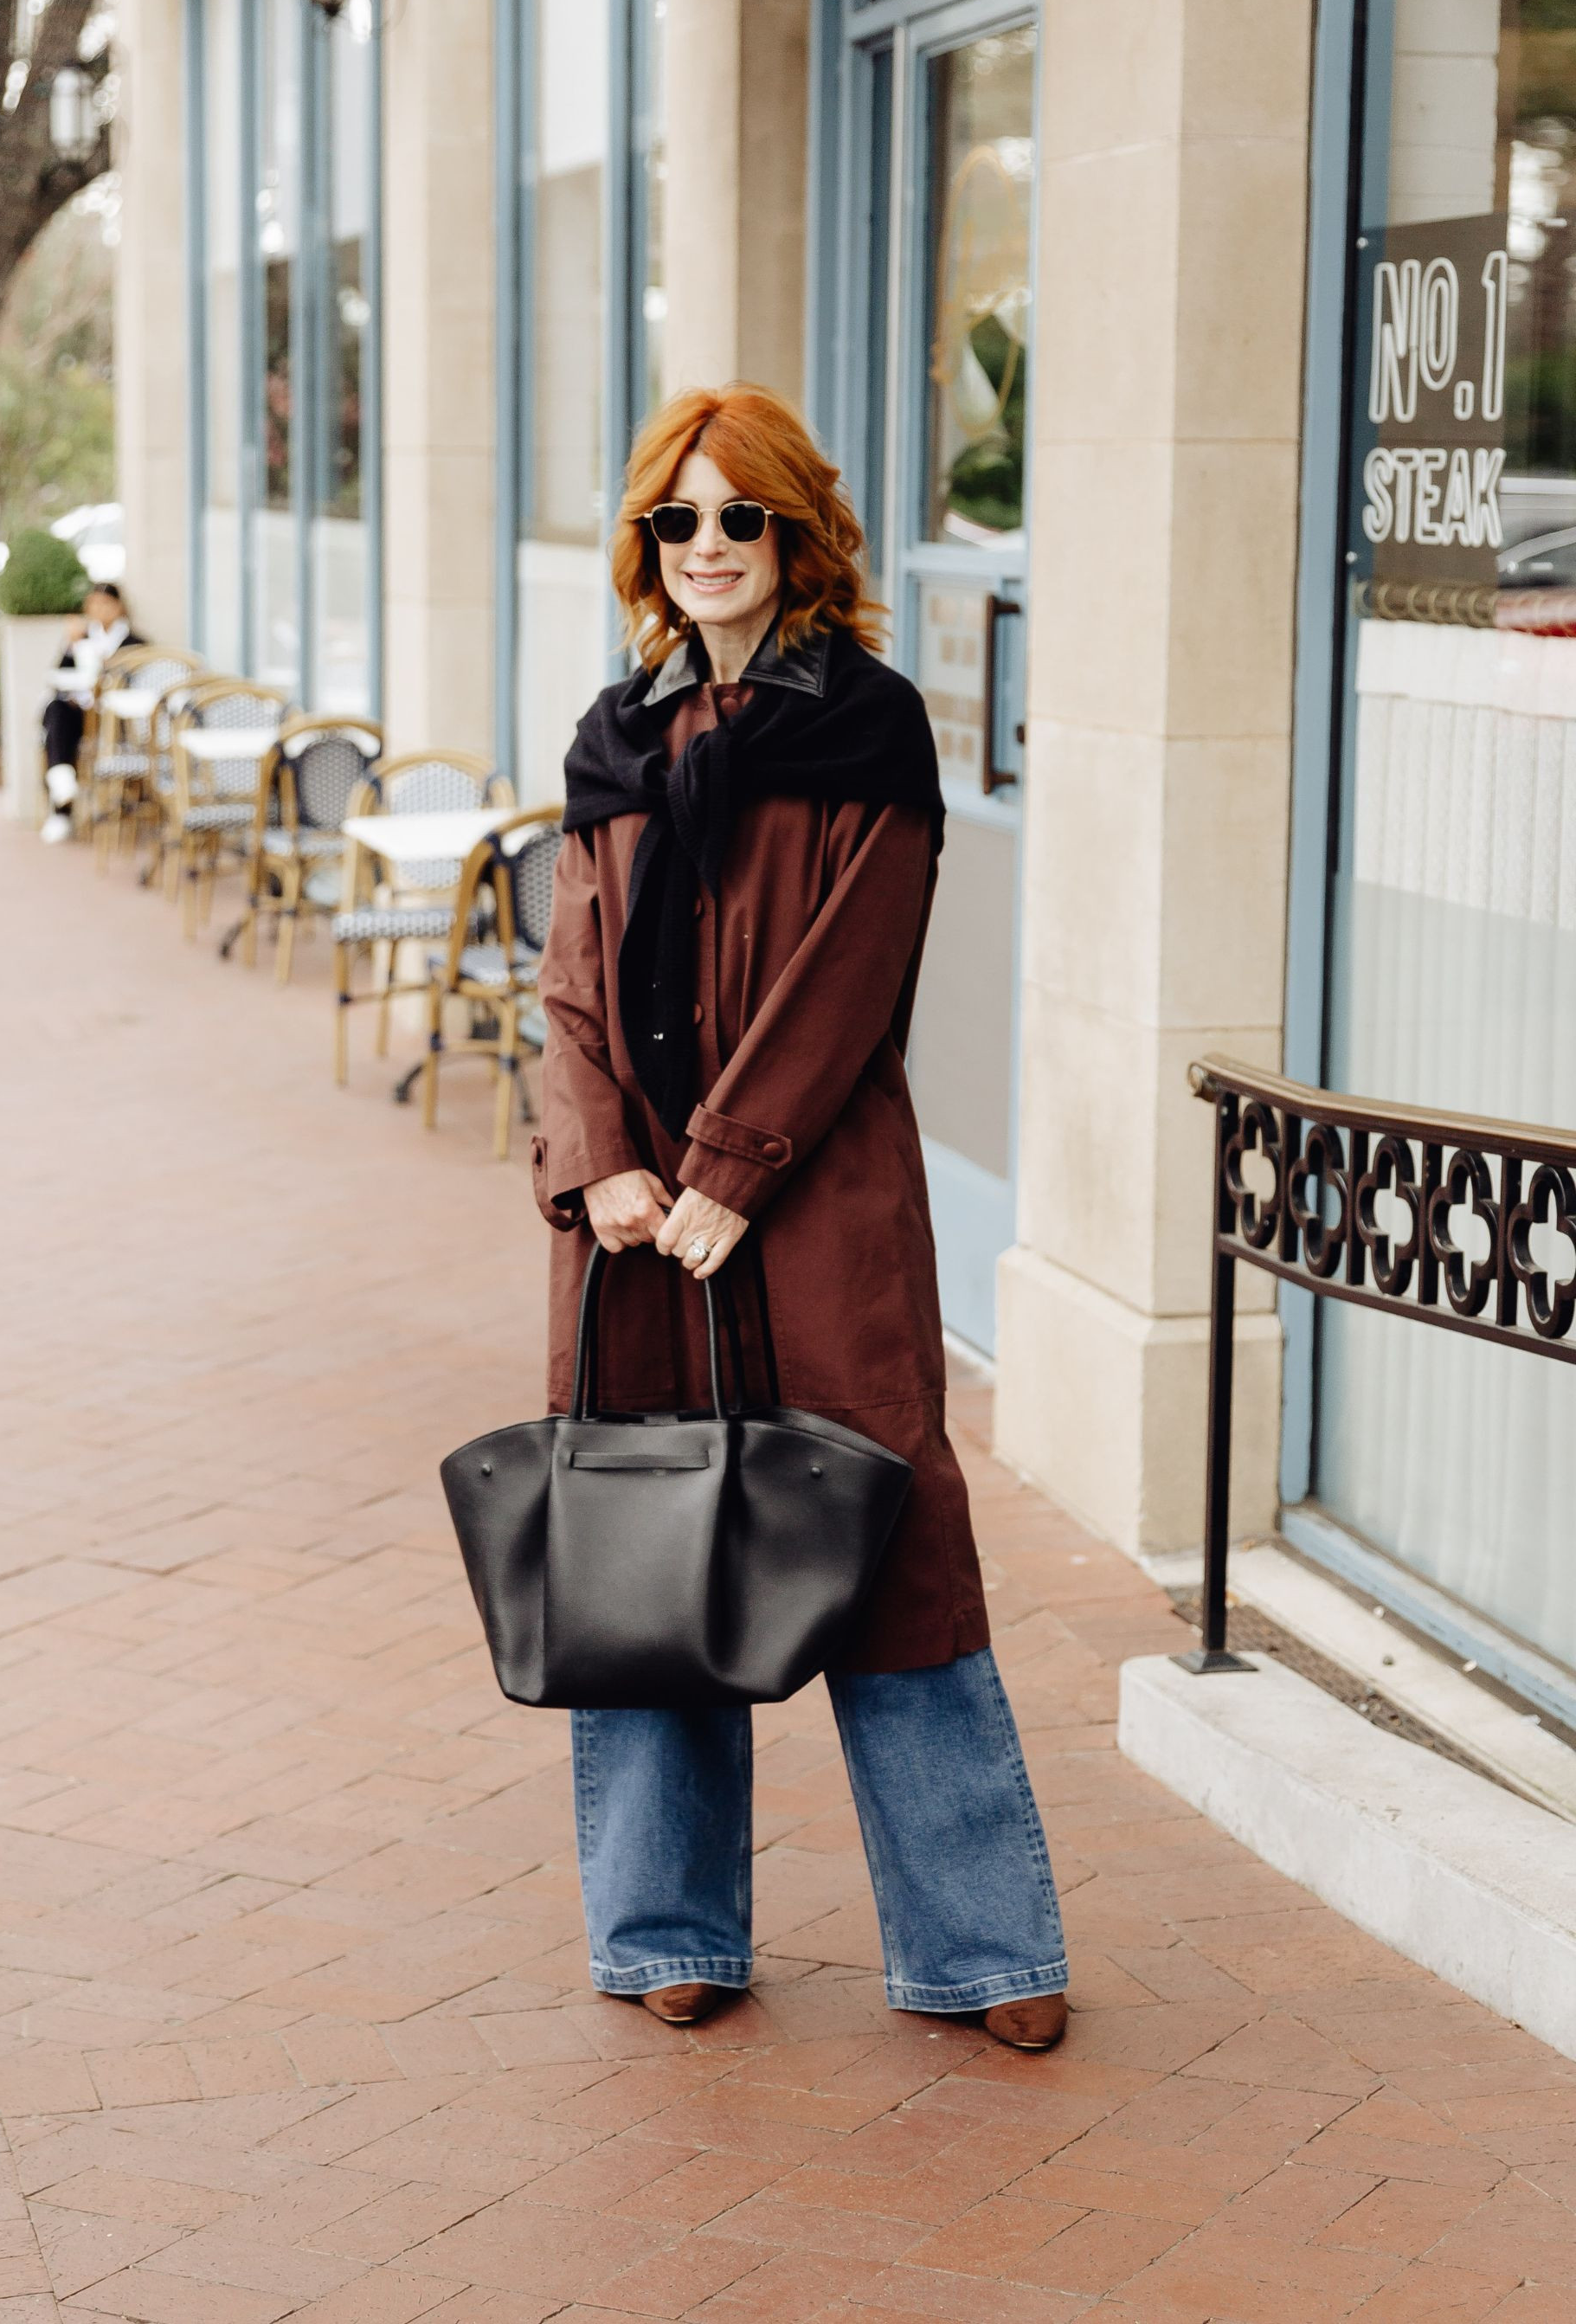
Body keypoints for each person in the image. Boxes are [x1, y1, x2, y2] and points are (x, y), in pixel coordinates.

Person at [537, 383, 1069, 2050]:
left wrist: (732, 1167)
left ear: (797, 537)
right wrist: (606, 1163)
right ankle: (665, 1925)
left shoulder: (873, 723)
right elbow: (563, 991)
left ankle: (982, 1948)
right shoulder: (616, 736)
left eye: (739, 517)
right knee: (650, 1552)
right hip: (633, 1235)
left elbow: (853, 973)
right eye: (678, 519)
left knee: (890, 1539)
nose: (708, 547)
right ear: (649, 543)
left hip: (815, 1201)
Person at [40, 584, 142, 842]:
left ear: (119, 607)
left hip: (116, 720)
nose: (100, 611)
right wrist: (71, 646)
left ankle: (64, 788)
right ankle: (62, 795)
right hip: (81, 713)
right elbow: (60, 677)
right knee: (57, 709)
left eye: (105, 604)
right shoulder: (82, 639)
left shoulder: (135, 644)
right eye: (94, 605)